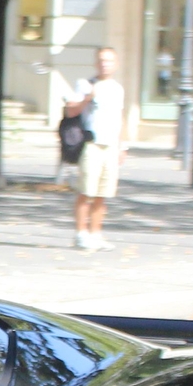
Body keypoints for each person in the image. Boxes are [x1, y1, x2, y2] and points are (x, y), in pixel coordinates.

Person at [67, 46, 128, 251]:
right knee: (86, 191)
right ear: (96, 63)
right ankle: (81, 233)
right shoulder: (85, 84)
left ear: (116, 64)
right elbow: (71, 111)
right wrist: (87, 98)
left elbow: (120, 118)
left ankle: (96, 233)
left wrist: (123, 146)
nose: (105, 64)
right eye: (102, 60)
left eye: (109, 61)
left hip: (110, 146)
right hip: (91, 144)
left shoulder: (117, 88)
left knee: (103, 193)